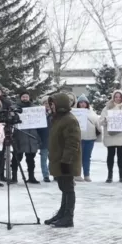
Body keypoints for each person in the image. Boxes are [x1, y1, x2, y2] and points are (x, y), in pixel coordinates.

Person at [45, 93, 81, 228]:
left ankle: (68, 217)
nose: (50, 107)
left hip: (66, 161)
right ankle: (62, 213)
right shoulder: (58, 119)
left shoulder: (69, 120)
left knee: (68, 189)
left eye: (52, 104)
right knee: (64, 188)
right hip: (58, 159)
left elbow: (72, 143)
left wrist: (66, 161)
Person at [100, 90, 122, 183]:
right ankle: (110, 175)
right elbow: (101, 121)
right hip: (111, 135)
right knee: (110, 155)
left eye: (120, 97)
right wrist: (106, 119)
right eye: (116, 97)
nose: (118, 98)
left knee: (121, 156)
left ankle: (121, 176)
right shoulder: (107, 108)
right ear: (113, 97)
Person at [11, 91, 41, 184]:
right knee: (16, 158)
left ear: (29, 97)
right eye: (23, 96)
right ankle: (14, 177)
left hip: (31, 136)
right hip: (19, 135)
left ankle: (31, 177)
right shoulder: (14, 108)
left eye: (26, 96)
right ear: (20, 98)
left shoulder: (34, 108)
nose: (25, 98)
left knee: (31, 159)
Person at [75, 95, 101, 182]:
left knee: (87, 157)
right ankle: (77, 174)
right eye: (81, 102)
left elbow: (97, 124)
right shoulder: (75, 113)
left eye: (84, 102)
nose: (82, 104)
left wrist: (99, 134)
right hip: (79, 138)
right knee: (79, 157)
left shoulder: (92, 113)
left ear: (87, 103)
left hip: (90, 138)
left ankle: (87, 175)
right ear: (78, 104)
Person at [37, 96, 52, 182]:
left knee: (52, 159)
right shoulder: (39, 114)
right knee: (44, 158)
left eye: (49, 103)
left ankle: (53, 173)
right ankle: (45, 175)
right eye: (45, 103)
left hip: (53, 140)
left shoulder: (54, 113)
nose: (47, 105)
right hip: (43, 139)